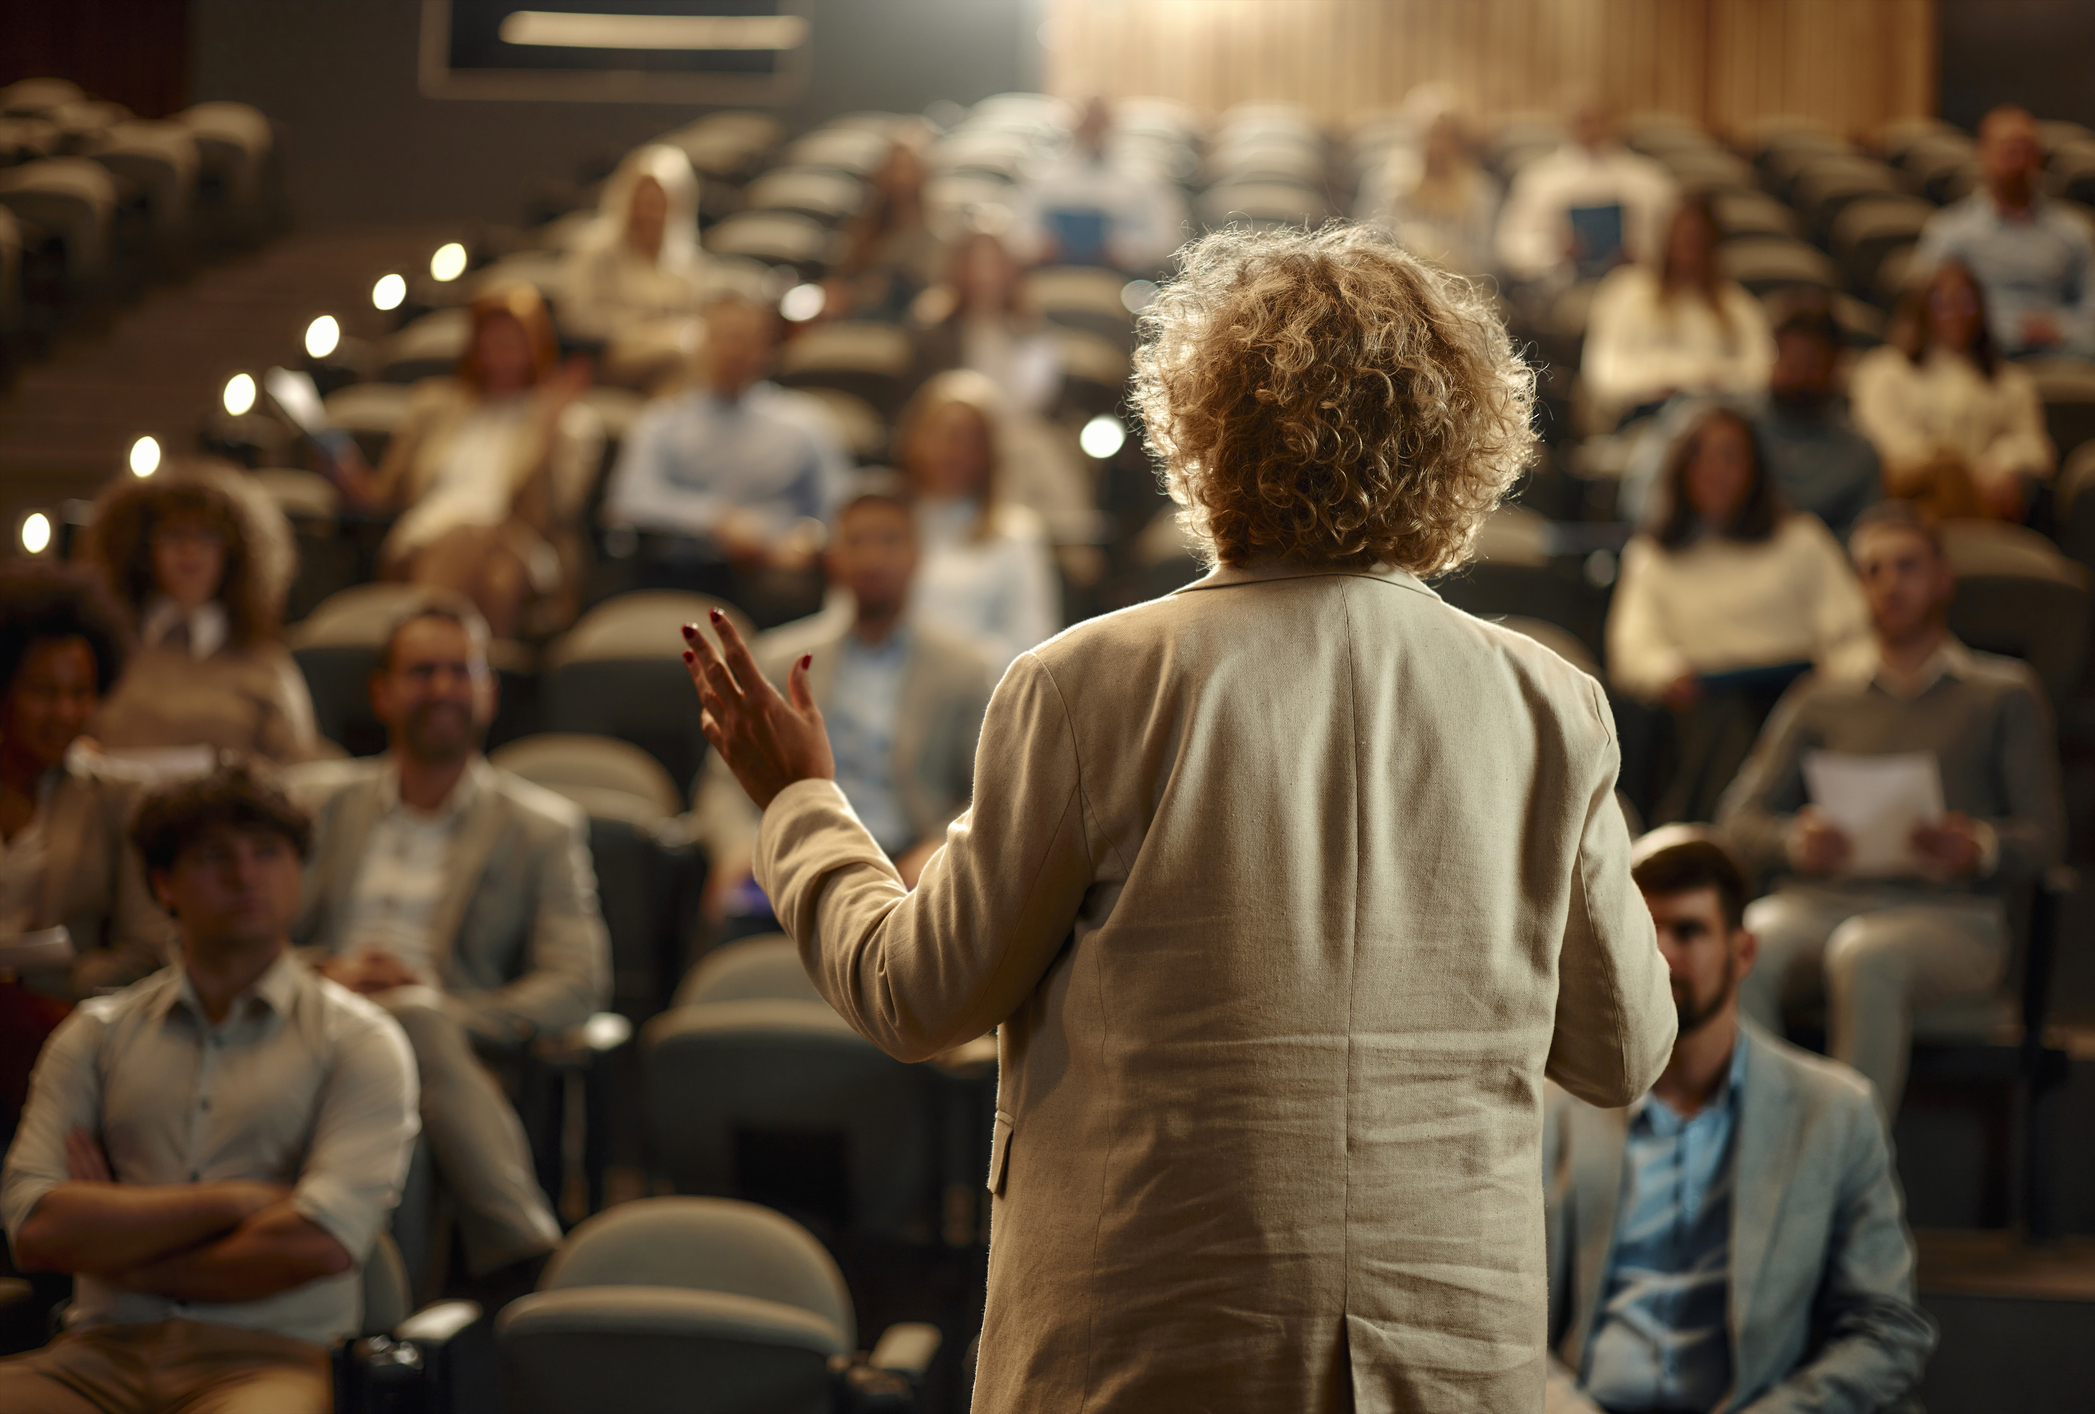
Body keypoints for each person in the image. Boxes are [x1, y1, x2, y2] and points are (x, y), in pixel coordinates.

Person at [678, 224, 1676, 1411]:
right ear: (1455, 439)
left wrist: (797, 804)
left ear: (1206, 429)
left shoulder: (1087, 681)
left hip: (1143, 1355)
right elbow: (1621, 1053)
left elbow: (914, 992)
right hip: (1446, 1367)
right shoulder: (1549, 704)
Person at [0, 764, 418, 1414]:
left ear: (299, 875)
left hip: (268, 1359)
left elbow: (319, 1240)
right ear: (164, 884)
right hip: (95, 1356)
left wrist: (123, 1245)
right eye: (214, 857)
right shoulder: (96, 1034)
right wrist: (241, 1202)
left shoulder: (360, 1041)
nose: (245, 876)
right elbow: (37, 1228)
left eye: (267, 854)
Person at [1544, 828, 1936, 1414]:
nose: (1663, 956)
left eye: (1689, 931)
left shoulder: (1834, 1111)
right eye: (1646, 932)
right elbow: (1505, 1316)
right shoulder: (1561, 1107)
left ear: (1743, 952)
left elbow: (1886, 1328)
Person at [285, 597, 610, 1288]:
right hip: (307, 1029)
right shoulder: (314, 805)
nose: (441, 689)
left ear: (489, 692)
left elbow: (577, 985)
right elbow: (236, 938)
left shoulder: (541, 828)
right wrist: (329, 975)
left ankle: (392, 1337)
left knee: (405, 1055)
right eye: (421, 671)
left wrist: (434, 1008)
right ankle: (526, 1253)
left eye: (460, 672)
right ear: (381, 692)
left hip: (453, 1055)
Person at [1718, 500, 2065, 1120]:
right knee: (1751, 945)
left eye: (1906, 567)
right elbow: (1738, 818)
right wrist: (1795, 841)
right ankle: (1769, 1148)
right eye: (1872, 571)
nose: (1888, 585)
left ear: (1942, 579)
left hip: (1950, 916)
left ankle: (1846, 1178)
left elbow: (2045, 837)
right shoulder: (1821, 697)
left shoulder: (2002, 693)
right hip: (1825, 899)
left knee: (1866, 953)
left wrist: (1978, 845)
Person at [698, 481, 993, 930]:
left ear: (918, 555)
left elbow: (984, 792)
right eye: (857, 542)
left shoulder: (963, 668)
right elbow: (722, 780)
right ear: (832, 558)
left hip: (908, 856)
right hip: (796, 851)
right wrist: (739, 848)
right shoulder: (782, 658)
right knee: (731, 917)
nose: (873, 558)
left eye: (890, 541)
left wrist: (939, 847)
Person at [1608, 407, 1872, 825]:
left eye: (1731, 457)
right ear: (1682, 468)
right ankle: (1729, 837)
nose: (1717, 471)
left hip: (1797, 697)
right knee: (1725, 725)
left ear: (1754, 469)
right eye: (1704, 458)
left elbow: (1853, 635)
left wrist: (1833, 677)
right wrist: (1666, 673)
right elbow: (1633, 649)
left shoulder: (1801, 540)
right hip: (1704, 706)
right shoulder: (1654, 555)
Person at [0, 567, 173, 1143]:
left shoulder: (117, 799)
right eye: (45, 692)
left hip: (60, 1019)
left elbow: (148, 949)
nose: (67, 713)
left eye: (82, 693)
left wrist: (43, 981)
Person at [332, 284, 602, 639]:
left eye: (511, 342)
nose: (500, 354)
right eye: (491, 342)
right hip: (428, 537)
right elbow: (385, 495)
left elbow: (554, 515)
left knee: (483, 542)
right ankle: (480, 677)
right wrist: (342, 470)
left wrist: (548, 437)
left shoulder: (569, 422)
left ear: (535, 343)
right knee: (495, 576)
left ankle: (424, 651)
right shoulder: (434, 406)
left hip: (520, 541)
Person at [603, 295, 853, 620]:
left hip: (774, 577)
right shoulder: (662, 421)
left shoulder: (805, 424)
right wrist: (715, 519)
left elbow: (842, 508)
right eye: (720, 337)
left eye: (744, 338)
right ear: (701, 344)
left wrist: (810, 538)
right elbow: (629, 499)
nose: (731, 350)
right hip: (684, 569)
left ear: (768, 348)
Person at [83, 461, 319, 765]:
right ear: (142, 548)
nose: (189, 550)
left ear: (234, 553)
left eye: (207, 536)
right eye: (174, 534)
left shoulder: (267, 664)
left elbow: (299, 771)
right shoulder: (108, 652)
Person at [1621, 306, 1884, 541]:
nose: (1802, 372)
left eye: (1814, 362)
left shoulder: (1856, 456)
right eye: (1793, 358)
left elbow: (1865, 540)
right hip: (1703, 557)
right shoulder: (1718, 420)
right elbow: (1645, 498)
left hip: (1802, 576)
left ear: (1837, 366)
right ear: (1773, 353)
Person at [1850, 260, 2055, 521]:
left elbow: (2035, 445)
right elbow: (1880, 439)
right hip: (1910, 489)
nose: (1955, 313)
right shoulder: (1883, 370)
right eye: (1942, 303)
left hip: (1987, 487)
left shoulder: (2010, 380)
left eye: (1966, 302)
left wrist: (2000, 465)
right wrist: (1950, 466)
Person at [1915, 104, 2095, 362]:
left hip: (2059, 346)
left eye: (2027, 151)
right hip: (1984, 348)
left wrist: (2060, 327)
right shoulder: (1952, 231)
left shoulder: (2073, 231)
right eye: (2009, 152)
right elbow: (1926, 306)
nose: (2019, 162)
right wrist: (2002, 330)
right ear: (1984, 155)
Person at [894, 371, 1062, 666]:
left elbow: (1031, 642)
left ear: (989, 453)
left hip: (978, 693)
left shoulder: (1016, 534)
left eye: (970, 440)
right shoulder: (885, 523)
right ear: (915, 436)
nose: (951, 451)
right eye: (941, 434)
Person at [1580, 196, 1775, 428]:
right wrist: (1665, 379)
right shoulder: (1626, 291)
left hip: (1715, 420)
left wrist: (1712, 380)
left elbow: (1761, 372)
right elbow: (1603, 372)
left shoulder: (1737, 304)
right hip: (1643, 419)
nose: (1690, 245)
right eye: (1684, 235)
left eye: (1699, 237)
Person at [557, 144, 715, 383]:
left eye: (660, 203)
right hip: (610, 355)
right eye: (644, 201)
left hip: (671, 357)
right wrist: (643, 329)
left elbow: (700, 318)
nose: (650, 212)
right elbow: (576, 316)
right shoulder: (595, 250)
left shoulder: (689, 261)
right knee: (682, 355)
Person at [1495, 94, 1679, 286]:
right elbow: (1511, 246)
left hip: (1638, 286)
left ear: (1614, 120)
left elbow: (1675, 242)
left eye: (1598, 119)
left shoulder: (1650, 180)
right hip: (1563, 287)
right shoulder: (1537, 180)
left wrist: (1641, 255)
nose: (1591, 128)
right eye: (1582, 120)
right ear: (1565, 123)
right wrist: (1555, 251)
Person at [1012, 95, 1186, 275]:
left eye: (1100, 121)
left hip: (1123, 278)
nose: (1094, 128)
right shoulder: (1041, 177)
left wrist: (1127, 251)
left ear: (1113, 125)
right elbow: (1019, 233)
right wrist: (1044, 247)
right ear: (1073, 125)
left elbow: (1169, 239)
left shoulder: (1144, 179)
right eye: (1088, 121)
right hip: (1054, 274)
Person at [907, 230, 1065, 418]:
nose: (985, 276)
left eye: (993, 266)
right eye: (976, 266)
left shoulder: (1033, 332)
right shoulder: (935, 333)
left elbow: (1041, 398)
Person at [1359, 111, 1500, 281]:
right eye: (1431, 136)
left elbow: (1486, 259)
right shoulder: (1388, 185)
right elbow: (1369, 243)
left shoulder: (1481, 192)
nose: (1437, 146)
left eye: (1446, 137)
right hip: (1399, 281)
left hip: (1461, 284)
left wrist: (1440, 255)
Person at [829, 139, 942, 322]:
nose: (900, 177)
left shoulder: (938, 230)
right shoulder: (861, 229)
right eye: (893, 168)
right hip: (861, 317)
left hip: (915, 321)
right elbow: (841, 279)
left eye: (906, 169)